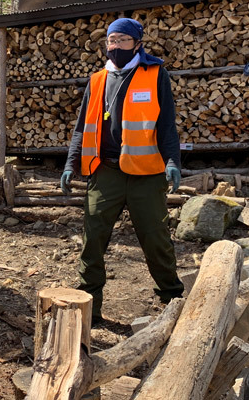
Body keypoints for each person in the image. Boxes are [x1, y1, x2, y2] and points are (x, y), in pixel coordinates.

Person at [60, 18, 184, 326]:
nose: (115, 46)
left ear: (137, 44)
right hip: (104, 173)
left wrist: (172, 162)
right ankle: (90, 308)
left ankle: (173, 302)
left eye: (123, 40)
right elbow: (81, 128)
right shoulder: (97, 80)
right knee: (93, 240)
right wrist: (70, 164)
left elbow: (167, 125)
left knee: (156, 239)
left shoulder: (156, 75)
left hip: (146, 173)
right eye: (111, 40)